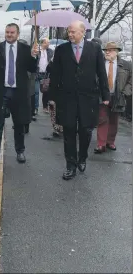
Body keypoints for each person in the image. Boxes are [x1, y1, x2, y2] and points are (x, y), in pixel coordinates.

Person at [49, 20, 109, 180]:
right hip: (67, 98)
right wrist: (51, 97)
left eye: (73, 32)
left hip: (88, 98)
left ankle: (82, 157)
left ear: (83, 32)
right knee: (68, 132)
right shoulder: (61, 50)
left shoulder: (95, 49)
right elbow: (55, 75)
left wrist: (106, 95)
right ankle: (70, 165)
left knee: (86, 131)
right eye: (69, 31)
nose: (70, 34)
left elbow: (102, 73)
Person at [0, 23, 38, 166]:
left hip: (19, 92)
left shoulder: (26, 49)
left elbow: (32, 69)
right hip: (1, 92)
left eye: (12, 32)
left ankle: (20, 151)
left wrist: (34, 56)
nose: (9, 34)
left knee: (19, 124)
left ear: (17, 34)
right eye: (7, 32)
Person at [94, 42, 132, 153]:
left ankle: (110, 142)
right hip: (102, 95)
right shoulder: (100, 63)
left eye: (110, 50)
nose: (107, 52)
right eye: (106, 50)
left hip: (118, 96)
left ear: (116, 51)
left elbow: (131, 80)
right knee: (102, 119)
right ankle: (101, 144)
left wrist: (125, 93)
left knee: (114, 121)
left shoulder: (126, 65)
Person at [43, 58, 63, 139]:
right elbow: (48, 70)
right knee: (53, 110)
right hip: (53, 91)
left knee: (61, 110)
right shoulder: (52, 63)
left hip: (63, 92)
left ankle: (60, 126)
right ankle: (56, 128)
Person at [35, 38, 54, 114]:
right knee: (36, 92)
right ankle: (35, 108)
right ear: (42, 43)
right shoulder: (37, 51)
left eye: (48, 42)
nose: (48, 44)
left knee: (46, 91)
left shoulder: (50, 51)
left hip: (46, 74)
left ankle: (45, 107)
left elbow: (51, 62)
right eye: (46, 42)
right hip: (37, 74)